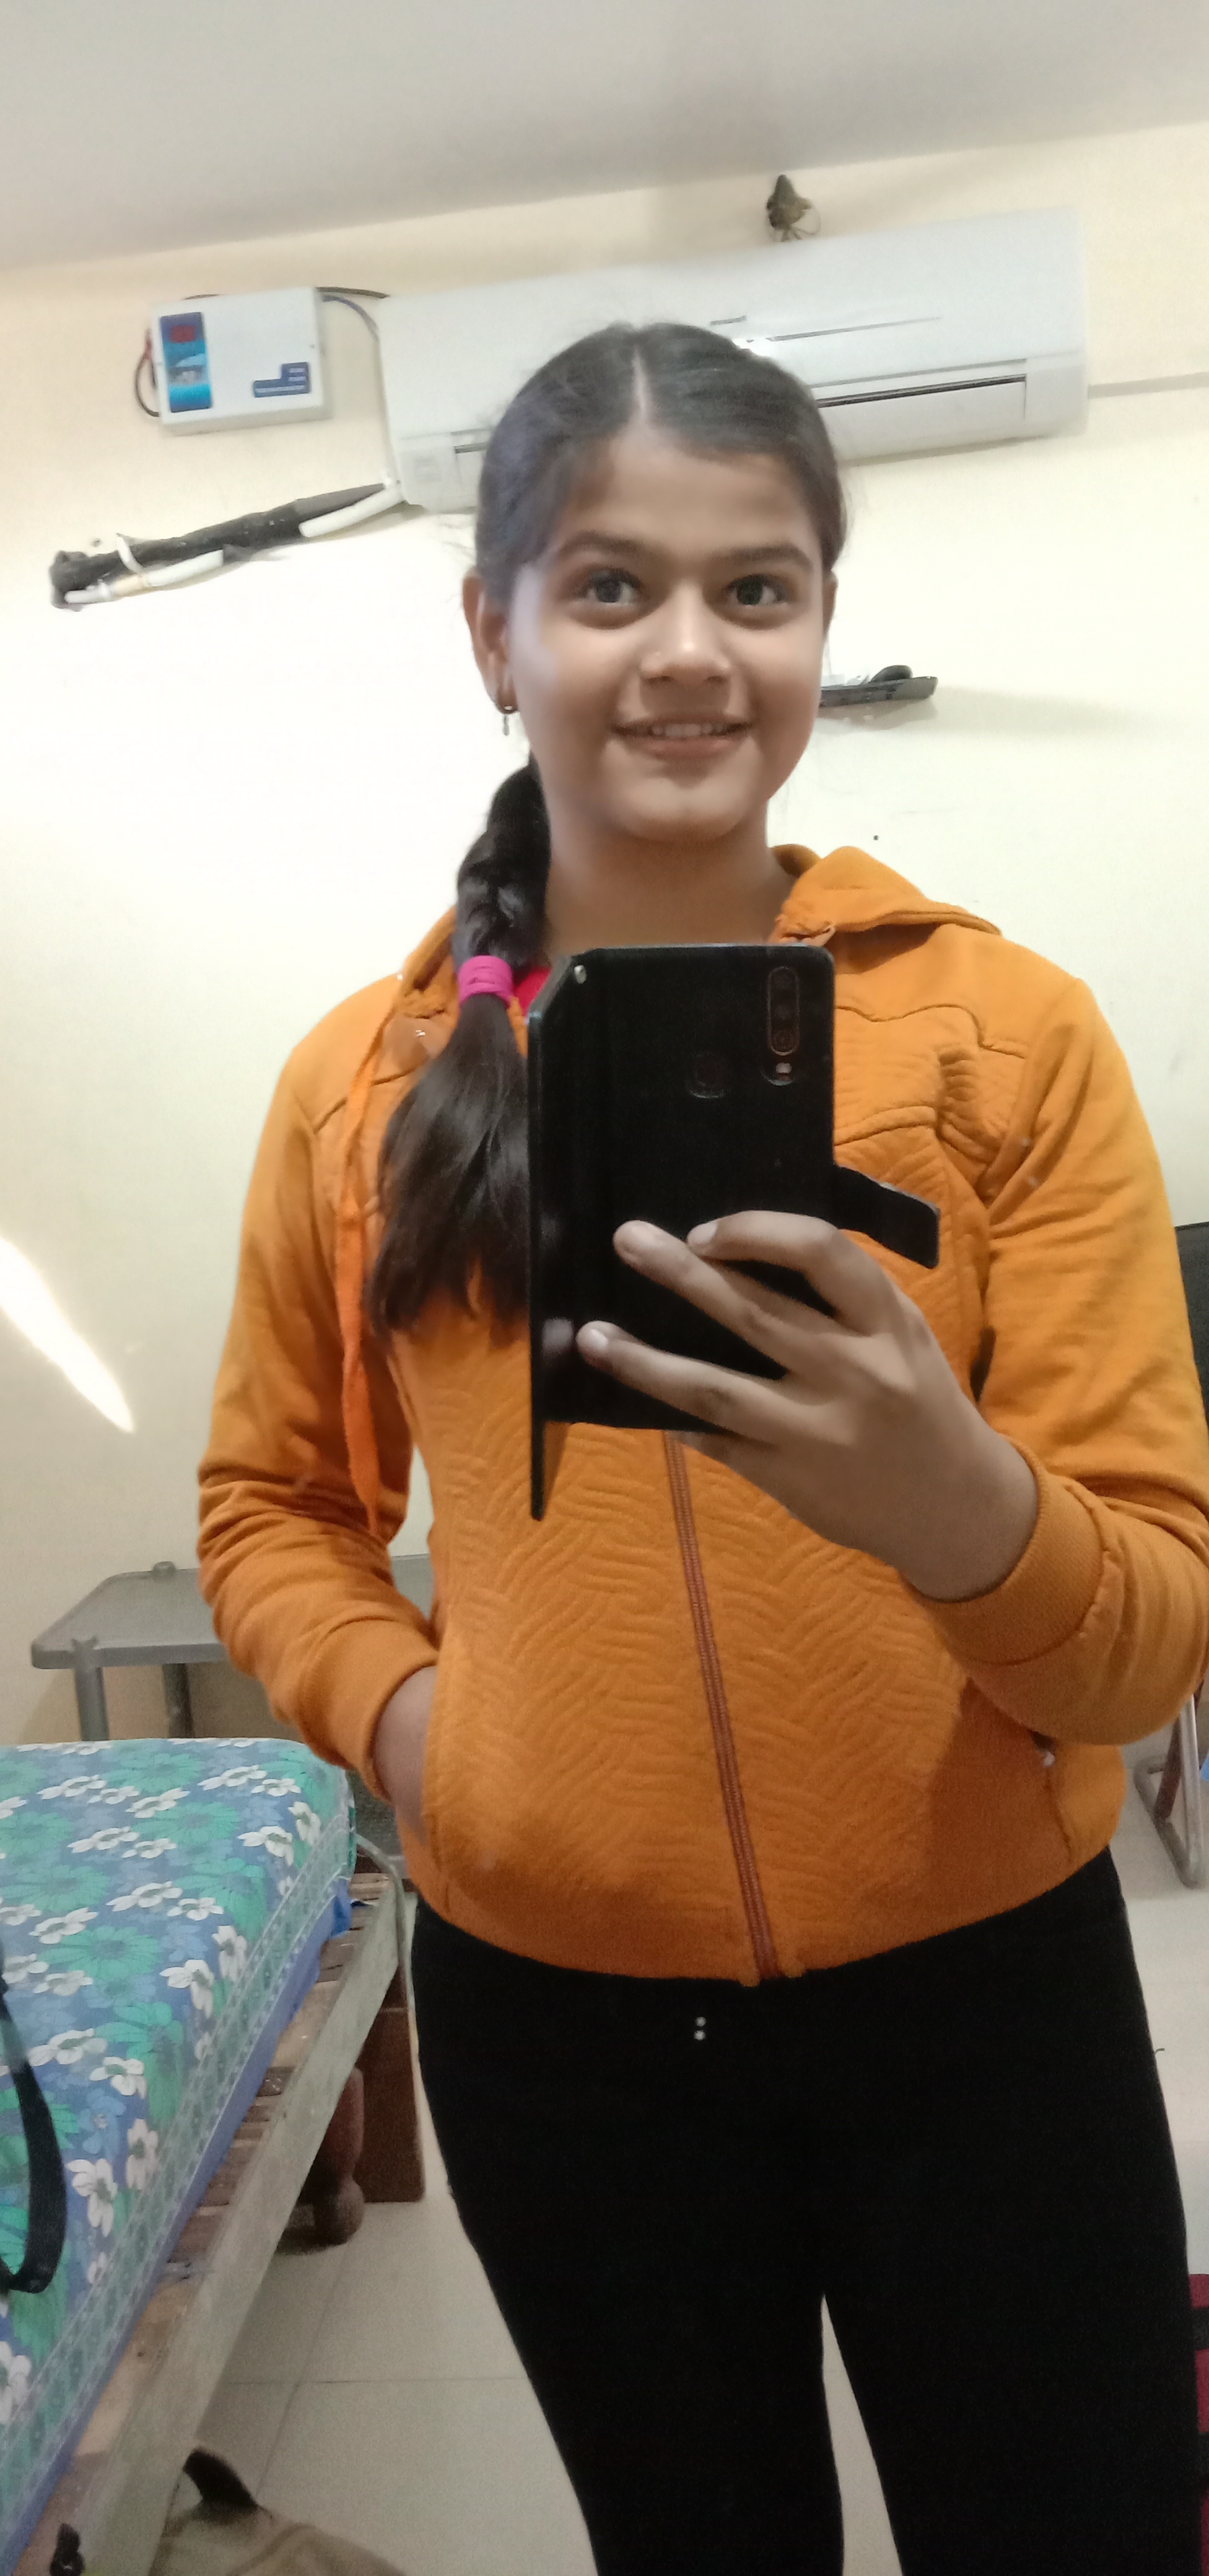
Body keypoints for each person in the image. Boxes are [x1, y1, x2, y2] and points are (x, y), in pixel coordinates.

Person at [198, 322, 1209, 2575]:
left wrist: (964, 1517)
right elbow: (272, 1508)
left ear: (823, 624)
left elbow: (1149, 1638)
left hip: (991, 1997)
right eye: (610, 586)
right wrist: (422, 1730)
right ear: (495, 635)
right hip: (557, 2026)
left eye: (757, 588)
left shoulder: (1006, 1033)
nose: (688, 652)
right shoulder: (362, 1090)